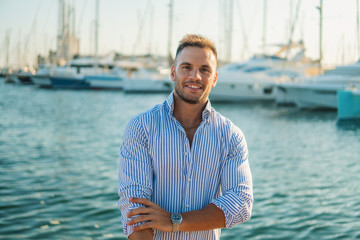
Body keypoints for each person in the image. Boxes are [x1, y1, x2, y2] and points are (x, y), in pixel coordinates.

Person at [118, 34, 253, 240]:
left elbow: (241, 203)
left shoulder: (231, 136)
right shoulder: (141, 127)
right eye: (186, 67)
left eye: (205, 70)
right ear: (173, 72)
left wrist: (175, 221)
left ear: (215, 78)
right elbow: (135, 210)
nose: (195, 76)